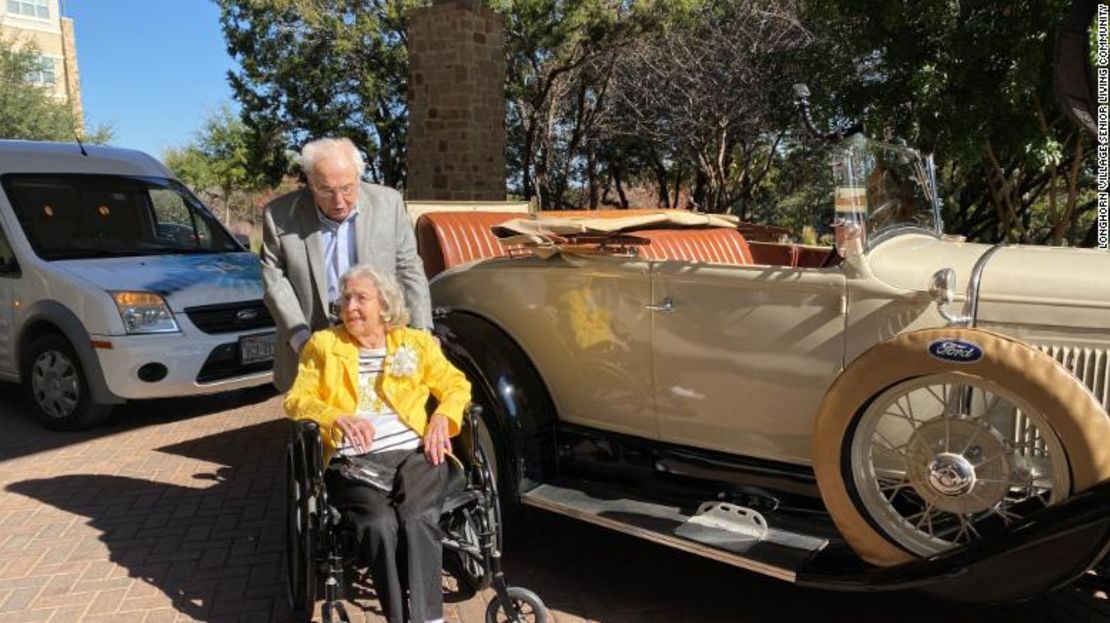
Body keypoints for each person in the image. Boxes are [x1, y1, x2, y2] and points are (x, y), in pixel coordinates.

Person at [284, 264, 470, 623]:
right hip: (356, 463)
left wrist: (441, 418)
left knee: (417, 515)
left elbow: (455, 385)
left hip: (417, 453)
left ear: (384, 305)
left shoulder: (413, 342)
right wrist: (335, 416)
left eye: (360, 298)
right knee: (379, 523)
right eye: (345, 298)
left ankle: (429, 618)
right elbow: (296, 400)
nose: (350, 306)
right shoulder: (324, 345)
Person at [261, 137, 433, 392]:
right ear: (310, 182)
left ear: (358, 178)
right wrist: (303, 342)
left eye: (348, 188)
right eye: (326, 190)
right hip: (312, 337)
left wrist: (422, 332)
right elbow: (275, 281)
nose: (339, 201)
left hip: (378, 338)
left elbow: (409, 267)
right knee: (317, 425)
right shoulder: (279, 215)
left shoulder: (389, 204)